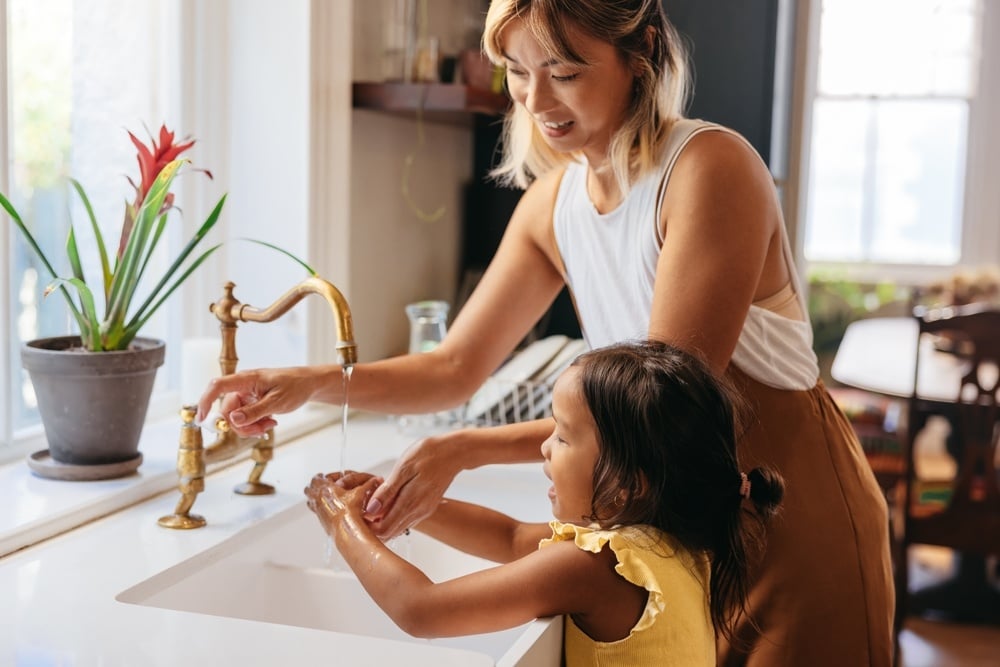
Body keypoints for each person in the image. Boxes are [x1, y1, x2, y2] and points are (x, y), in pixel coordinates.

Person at [198, 0, 895, 663]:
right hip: (671, 533)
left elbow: (654, 415)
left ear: (641, 52)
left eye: (563, 71)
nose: (536, 99)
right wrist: (312, 381)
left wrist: (462, 446)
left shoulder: (710, 170)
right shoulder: (550, 205)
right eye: (518, 72)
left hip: (790, 522)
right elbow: (452, 368)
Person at [305, 341, 785, 665]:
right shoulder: (672, 543)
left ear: (628, 484)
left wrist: (342, 524)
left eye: (562, 434)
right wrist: (406, 504)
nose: (544, 447)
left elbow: (421, 609)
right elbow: (510, 538)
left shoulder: (596, 567)